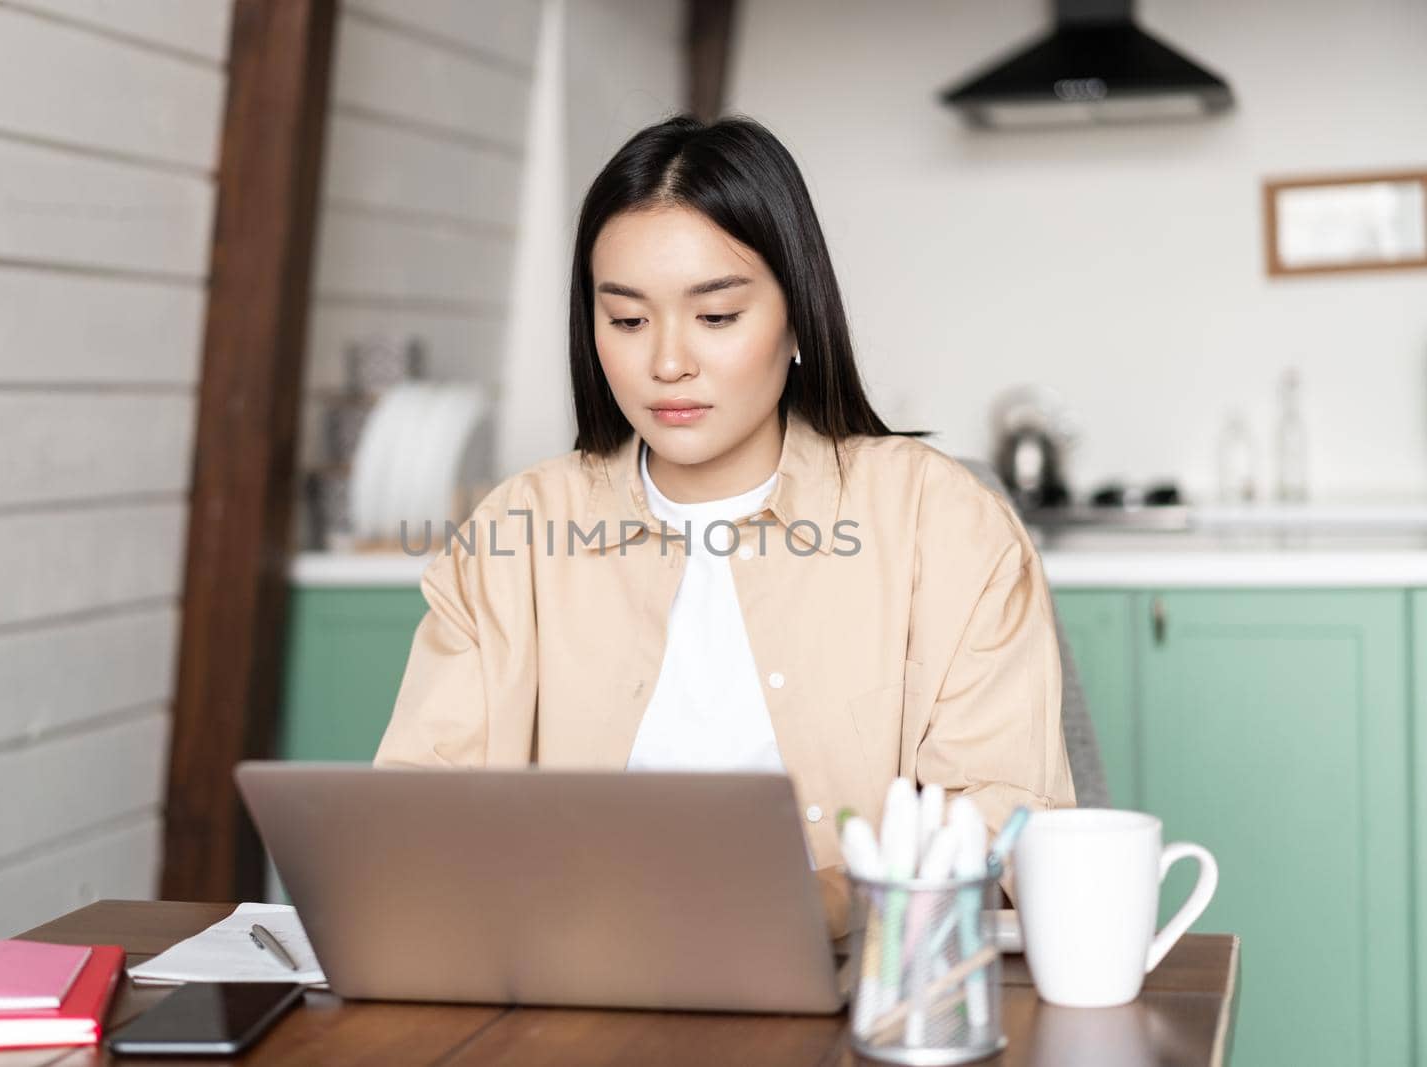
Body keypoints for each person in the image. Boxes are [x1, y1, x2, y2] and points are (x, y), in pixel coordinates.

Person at [372, 113, 1075, 936]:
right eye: (628, 321)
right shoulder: (518, 532)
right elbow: (414, 812)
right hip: (576, 980)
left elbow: (1002, 821)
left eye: (716, 317)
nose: (667, 362)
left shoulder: (942, 523)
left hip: (858, 981)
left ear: (797, 318)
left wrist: (820, 905)